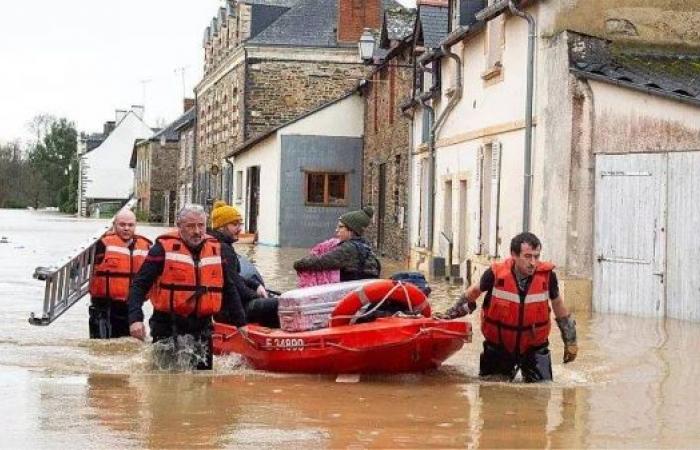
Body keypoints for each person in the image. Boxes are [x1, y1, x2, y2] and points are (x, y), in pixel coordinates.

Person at [436, 232, 578, 382]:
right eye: (528, 256)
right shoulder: (495, 273)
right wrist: (450, 314)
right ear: (514, 255)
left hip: (534, 348)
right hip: (499, 347)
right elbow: (473, 293)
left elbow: (558, 306)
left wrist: (571, 340)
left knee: (542, 391)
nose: (533, 262)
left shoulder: (548, 277)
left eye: (536, 256)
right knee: (492, 391)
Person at [127, 204, 247, 370]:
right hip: (167, 325)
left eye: (201, 225)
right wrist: (135, 319)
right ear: (179, 226)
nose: (197, 231)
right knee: (164, 383)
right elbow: (139, 285)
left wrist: (241, 322)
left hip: (202, 326)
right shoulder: (161, 249)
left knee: (203, 382)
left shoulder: (216, 249)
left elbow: (229, 287)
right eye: (191, 226)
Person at [207, 200, 279, 328]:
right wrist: (258, 295)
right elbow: (236, 287)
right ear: (222, 226)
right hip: (231, 312)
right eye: (235, 224)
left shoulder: (216, 244)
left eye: (240, 224)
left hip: (222, 310)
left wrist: (256, 285)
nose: (239, 229)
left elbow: (234, 277)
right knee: (280, 303)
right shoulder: (224, 249)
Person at [88, 208, 152, 339]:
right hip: (104, 307)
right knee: (101, 348)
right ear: (114, 225)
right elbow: (80, 264)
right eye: (122, 225)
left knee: (129, 349)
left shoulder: (146, 246)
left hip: (131, 307)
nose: (126, 228)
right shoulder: (101, 244)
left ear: (135, 226)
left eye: (130, 225)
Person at [293, 206, 381, 281]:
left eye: (340, 227)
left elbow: (323, 261)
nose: (336, 230)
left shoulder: (349, 248)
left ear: (351, 230)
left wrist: (299, 264)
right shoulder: (366, 246)